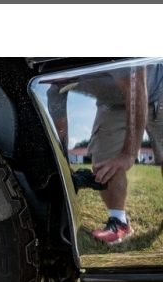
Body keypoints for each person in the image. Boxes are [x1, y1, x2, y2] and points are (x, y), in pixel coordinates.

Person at [49, 63, 163, 246]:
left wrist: (128, 154)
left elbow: (136, 88)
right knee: (104, 160)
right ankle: (119, 222)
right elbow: (59, 120)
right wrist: (63, 160)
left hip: (157, 90)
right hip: (111, 103)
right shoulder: (54, 80)